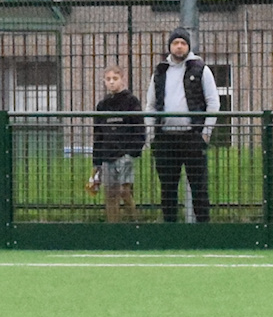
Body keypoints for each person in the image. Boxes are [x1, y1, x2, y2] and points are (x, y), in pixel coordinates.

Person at [147, 28, 218, 224]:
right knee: (168, 187)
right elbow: (151, 104)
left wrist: (205, 133)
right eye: (176, 43)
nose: (179, 46)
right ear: (170, 46)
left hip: (192, 136)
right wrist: (151, 134)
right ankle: (170, 229)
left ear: (188, 46)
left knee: (199, 186)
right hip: (165, 138)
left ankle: (203, 229)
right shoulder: (160, 71)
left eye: (183, 43)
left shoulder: (201, 69)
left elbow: (213, 102)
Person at [88, 66, 145, 222]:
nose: (112, 82)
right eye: (108, 79)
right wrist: (96, 162)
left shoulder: (131, 101)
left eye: (115, 78)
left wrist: (133, 151)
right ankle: (113, 227)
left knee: (124, 191)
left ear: (122, 79)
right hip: (107, 155)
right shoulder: (102, 105)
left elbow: (139, 129)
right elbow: (98, 135)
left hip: (125, 154)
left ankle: (135, 224)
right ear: (104, 81)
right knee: (110, 194)